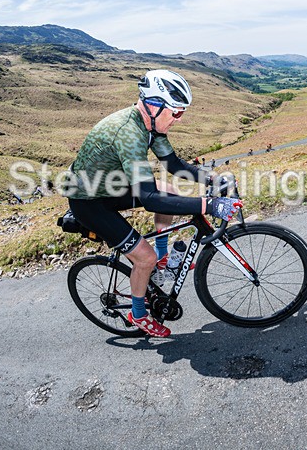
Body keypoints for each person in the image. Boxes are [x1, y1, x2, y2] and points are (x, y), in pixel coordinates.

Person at [65, 69, 242, 338]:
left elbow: (173, 165)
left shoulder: (150, 125)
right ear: (154, 105)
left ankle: (162, 261)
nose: (178, 119)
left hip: (109, 186)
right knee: (142, 256)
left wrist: (213, 181)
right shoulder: (128, 133)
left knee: (168, 189)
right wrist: (209, 205)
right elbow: (149, 199)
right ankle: (138, 314)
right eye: (176, 112)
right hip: (88, 202)